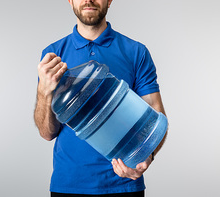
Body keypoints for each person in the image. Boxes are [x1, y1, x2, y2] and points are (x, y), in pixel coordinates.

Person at [34, 0, 167, 196]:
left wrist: (147, 156)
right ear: (70, 1)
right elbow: (47, 133)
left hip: (123, 184)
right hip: (69, 184)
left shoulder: (136, 52)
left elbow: (155, 115)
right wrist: (44, 91)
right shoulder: (53, 56)